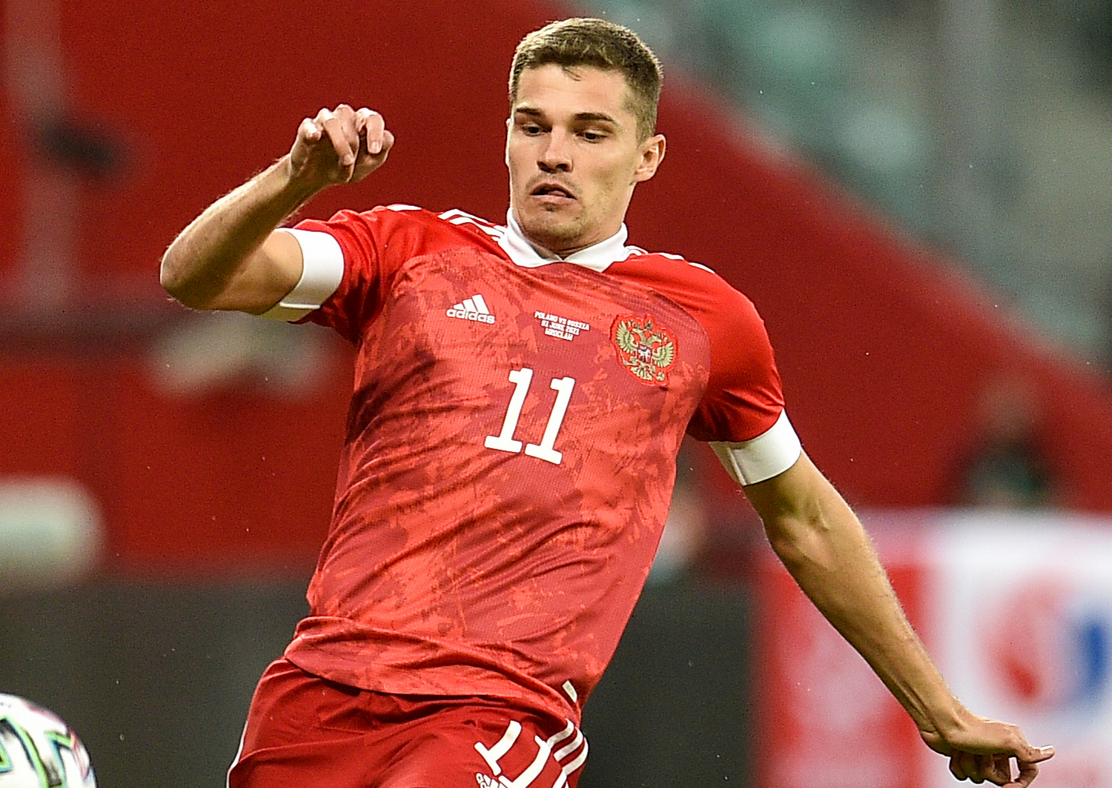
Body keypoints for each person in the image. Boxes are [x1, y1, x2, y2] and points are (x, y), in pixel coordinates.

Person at [160, 17, 1053, 788]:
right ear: (507, 136)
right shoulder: (408, 254)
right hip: (318, 692)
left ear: (646, 155)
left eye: (591, 132)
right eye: (534, 126)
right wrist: (295, 178)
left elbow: (807, 519)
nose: (555, 154)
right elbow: (194, 277)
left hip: (494, 712)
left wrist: (939, 711)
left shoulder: (703, 322)